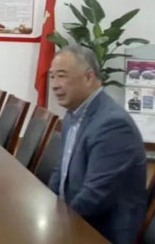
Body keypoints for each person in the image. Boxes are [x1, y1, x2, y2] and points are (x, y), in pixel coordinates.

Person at [48, 44, 146, 244]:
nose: (55, 85)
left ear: (88, 77)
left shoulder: (113, 124)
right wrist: (47, 210)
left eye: (62, 76)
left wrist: (56, 228)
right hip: (75, 220)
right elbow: (60, 173)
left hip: (101, 232)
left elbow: (94, 197)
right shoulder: (73, 115)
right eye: (52, 76)